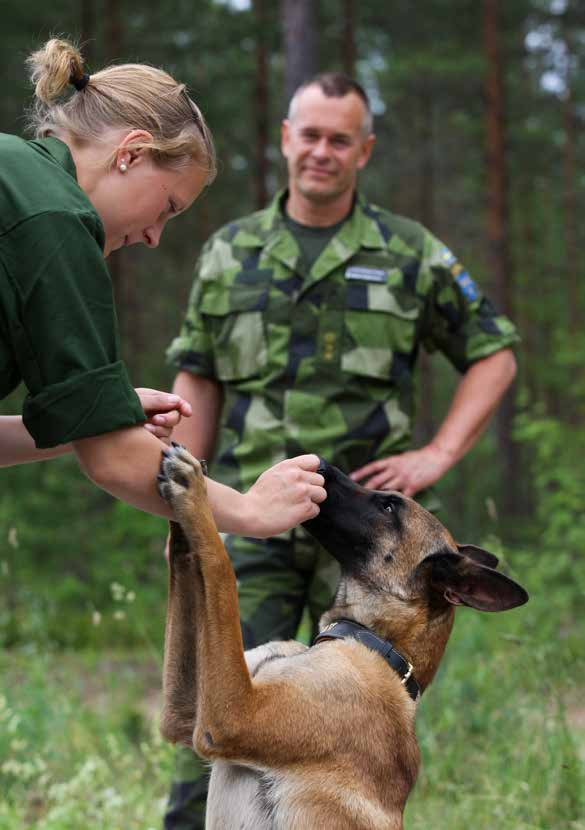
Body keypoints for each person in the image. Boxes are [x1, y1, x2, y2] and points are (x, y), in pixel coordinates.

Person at [163, 72, 520, 828]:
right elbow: (196, 379)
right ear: (285, 138)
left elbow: (495, 355)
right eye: (309, 134)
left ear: (363, 150)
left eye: (339, 139)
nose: (321, 151)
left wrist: (437, 455)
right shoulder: (231, 251)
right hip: (257, 521)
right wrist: (182, 505)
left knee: (346, 743)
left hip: (367, 543)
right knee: (221, 728)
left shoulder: (408, 251)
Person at [0, 38, 326, 536]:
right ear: (131, 153)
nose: (154, 237)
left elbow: (102, 444)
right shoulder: (54, 220)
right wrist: (250, 511)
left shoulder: (18, 178)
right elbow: (113, 461)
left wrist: (95, 418)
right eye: (168, 207)